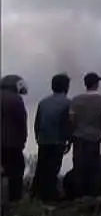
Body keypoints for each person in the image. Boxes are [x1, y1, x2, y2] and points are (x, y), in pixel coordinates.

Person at [32, 73, 72, 202]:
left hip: (43, 139)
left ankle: (35, 194)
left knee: (41, 168)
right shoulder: (68, 103)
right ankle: (50, 196)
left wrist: (38, 137)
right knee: (53, 169)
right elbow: (68, 123)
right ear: (66, 87)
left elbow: (37, 122)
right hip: (58, 140)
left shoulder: (43, 102)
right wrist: (68, 140)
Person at [70, 72, 101, 198]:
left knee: (78, 165)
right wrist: (100, 132)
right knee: (92, 166)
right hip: (94, 136)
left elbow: (71, 118)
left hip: (78, 136)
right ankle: (91, 194)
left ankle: (77, 193)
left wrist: (74, 132)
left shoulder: (76, 99)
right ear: (96, 84)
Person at [1, 74, 28, 203]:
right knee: (16, 171)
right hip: (11, 143)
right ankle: (14, 201)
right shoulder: (16, 100)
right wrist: (22, 140)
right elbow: (21, 122)